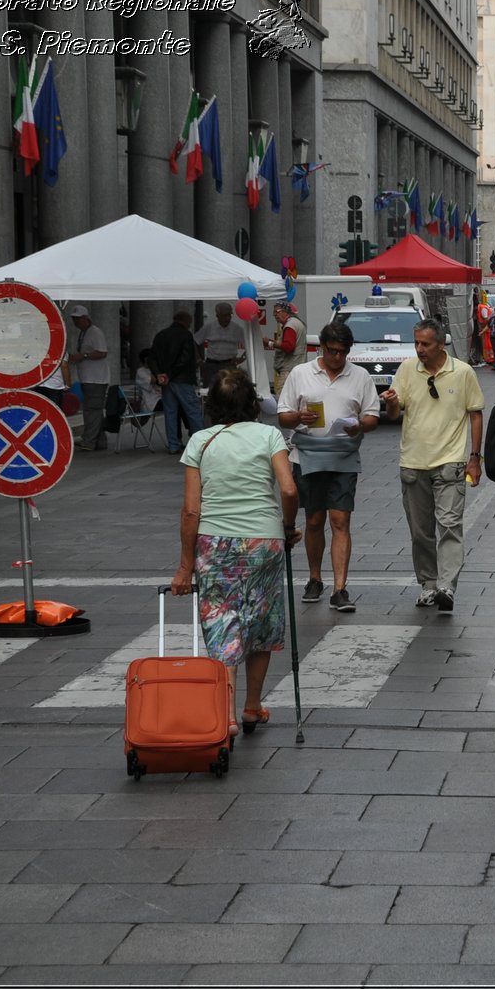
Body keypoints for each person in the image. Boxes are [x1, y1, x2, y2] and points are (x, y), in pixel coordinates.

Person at [171, 369, 301, 733]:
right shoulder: (269, 435)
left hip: (215, 543)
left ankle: (224, 714)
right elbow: (289, 490)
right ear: (252, 404)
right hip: (264, 540)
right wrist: (288, 527)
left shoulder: (200, 441)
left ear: (213, 405)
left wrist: (184, 566)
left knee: (222, 621)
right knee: (261, 618)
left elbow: (191, 511)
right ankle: (252, 706)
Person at [381, 319, 484, 613]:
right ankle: (428, 584)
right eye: (416, 343)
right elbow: (394, 413)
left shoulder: (462, 372)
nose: (419, 349)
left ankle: (447, 587)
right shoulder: (406, 370)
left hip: (450, 462)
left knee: (450, 526)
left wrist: (474, 458)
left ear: (441, 343)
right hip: (413, 463)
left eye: (425, 343)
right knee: (420, 532)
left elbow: (475, 414)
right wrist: (390, 401)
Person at [276, 321, 380, 612]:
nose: (337, 357)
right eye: (332, 351)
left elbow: (372, 417)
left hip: (344, 457)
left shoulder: (359, 376)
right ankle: (314, 577)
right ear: (320, 347)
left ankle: (340, 588)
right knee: (313, 519)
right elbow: (283, 417)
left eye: (342, 352)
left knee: (340, 521)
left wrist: (358, 425)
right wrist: (299, 416)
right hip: (307, 455)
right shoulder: (301, 373)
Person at [151, 310, 204, 453]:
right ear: (186, 321)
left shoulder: (160, 335)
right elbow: (185, 359)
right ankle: (201, 444)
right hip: (182, 379)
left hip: (165, 381)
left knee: (170, 412)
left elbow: (152, 357)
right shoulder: (186, 335)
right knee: (192, 410)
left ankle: (173, 444)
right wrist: (170, 374)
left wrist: (159, 374)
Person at [67, 305, 111, 451]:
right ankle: (99, 441)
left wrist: (84, 356)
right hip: (87, 377)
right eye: (74, 319)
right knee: (93, 410)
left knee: (92, 410)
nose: (75, 322)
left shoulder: (95, 332)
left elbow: (102, 352)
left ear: (86, 318)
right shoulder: (84, 333)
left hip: (96, 378)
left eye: (78, 319)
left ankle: (89, 440)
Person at [195, 301, 247, 389]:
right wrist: (198, 360)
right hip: (211, 366)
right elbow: (194, 341)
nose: (227, 318)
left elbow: (249, 346)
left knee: (230, 390)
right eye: (224, 315)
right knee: (210, 391)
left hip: (229, 365)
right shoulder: (209, 327)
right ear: (217, 315)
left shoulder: (237, 329)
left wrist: (242, 359)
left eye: (229, 315)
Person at [263, 301, 307, 394]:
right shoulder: (296, 323)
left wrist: (270, 343)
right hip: (296, 369)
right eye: (274, 313)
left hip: (288, 371)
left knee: (282, 398)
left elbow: (288, 347)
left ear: (285, 311)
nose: (274, 315)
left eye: (277, 312)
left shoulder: (290, 326)